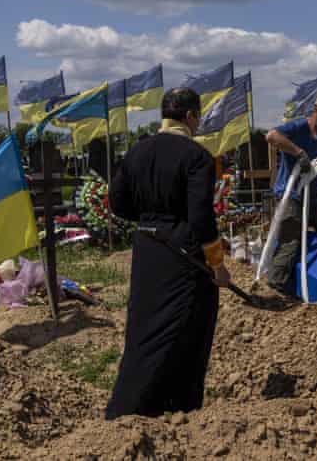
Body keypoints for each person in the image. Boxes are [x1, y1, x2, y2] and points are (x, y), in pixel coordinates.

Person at [105, 87, 231, 419]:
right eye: (198, 117)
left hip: (148, 249)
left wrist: (150, 222)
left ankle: (128, 408)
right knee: (187, 331)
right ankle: (178, 408)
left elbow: (116, 202)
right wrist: (217, 265)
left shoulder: (137, 151)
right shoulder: (196, 156)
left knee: (144, 331)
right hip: (184, 255)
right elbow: (202, 217)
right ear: (190, 117)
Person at [265, 94, 317, 295]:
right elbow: (271, 136)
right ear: (316, 110)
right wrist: (298, 152)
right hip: (291, 194)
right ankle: (277, 286)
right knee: (290, 239)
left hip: (314, 195)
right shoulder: (298, 128)